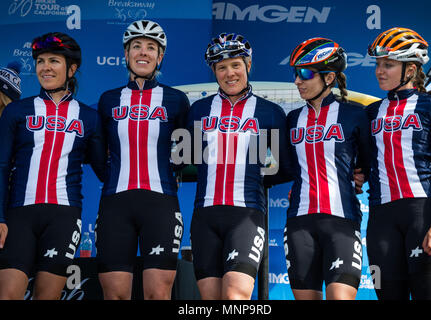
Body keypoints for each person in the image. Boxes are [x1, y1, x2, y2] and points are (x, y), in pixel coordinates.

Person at [0, 32, 106, 300]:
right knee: (8, 294)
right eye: (41, 61)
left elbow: (105, 170)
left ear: (71, 69)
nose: (45, 67)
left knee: (46, 297)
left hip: (64, 216)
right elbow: (1, 165)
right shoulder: (17, 111)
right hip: (18, 215)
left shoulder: (89, 117)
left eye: (54, 61)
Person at [186, 33, 290, 300]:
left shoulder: (269, 112)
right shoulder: (198, 110)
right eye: (221, 67)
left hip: (246, 215)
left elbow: (286, 166)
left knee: (235, 296)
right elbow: (188, 159)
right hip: (205, 215)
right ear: (214, 71)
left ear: (248, 66)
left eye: (236, 65)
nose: (229, 73)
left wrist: (257, 178)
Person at [95, 20, 190, 300]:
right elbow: (99, 156)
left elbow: (184, 153)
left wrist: (167, 173)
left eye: (151, 47)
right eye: (136, 46)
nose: (143, 53)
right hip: (115, 203)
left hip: (161, 203)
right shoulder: (108, 100)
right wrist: (112, 176)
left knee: (158, 294)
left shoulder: (176, 100)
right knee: (114, 295)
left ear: (160, 57)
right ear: (126, 54)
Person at [365, 27, 431, 300]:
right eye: (378, 64)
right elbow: (360, 161)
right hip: (380, 220)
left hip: (422, 215)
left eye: (388, 64)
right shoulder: (370, 112)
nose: (380, 70)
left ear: (411, 70)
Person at [284, 37, 371, 300]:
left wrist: (360, 174)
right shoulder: (292, 119)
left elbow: (370, 161)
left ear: (330, 78)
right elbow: (287, 167)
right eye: (296, 74)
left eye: (305, 73)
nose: (298, 81)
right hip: (299, 222)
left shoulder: (355, 115)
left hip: (342, 220)